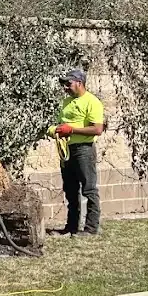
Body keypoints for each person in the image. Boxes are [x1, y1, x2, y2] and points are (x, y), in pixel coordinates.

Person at [50, 67, 106, 235]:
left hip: (84, 150)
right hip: (67, 150)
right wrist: (55, 130)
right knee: (71, 190)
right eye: (64, 84)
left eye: (68, 83)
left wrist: (71, 130)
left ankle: (90, 229)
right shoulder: (67, 102)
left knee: (89, 189)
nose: (65, 87)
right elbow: (62, 125)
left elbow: (97, 129)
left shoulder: (92, 102)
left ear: (80, 83)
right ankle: (72, 227)